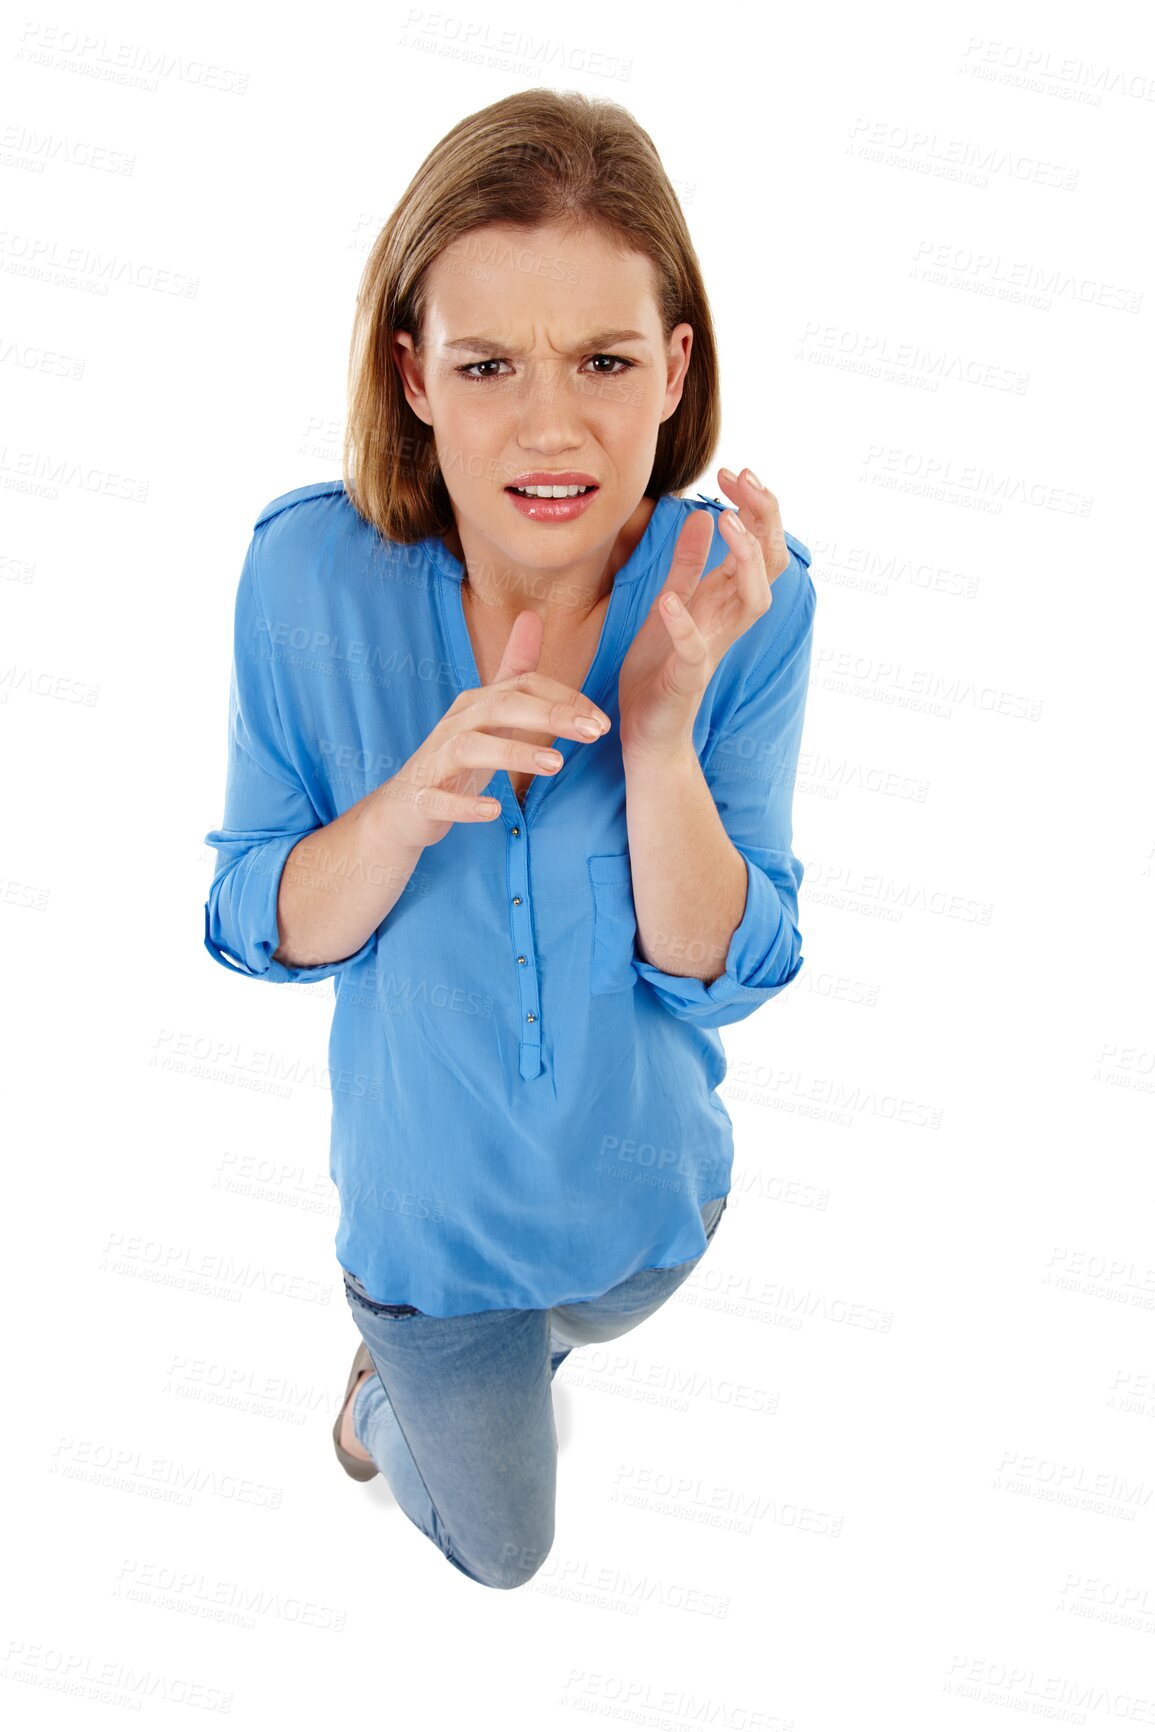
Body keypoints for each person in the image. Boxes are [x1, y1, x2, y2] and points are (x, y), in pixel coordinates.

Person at [202, 87, 817, 1592]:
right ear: (412, 374)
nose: (552, 426)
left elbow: (728, 971)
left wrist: (662, 734)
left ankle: (528, 1352)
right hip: (435, 1267)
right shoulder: (303, 579)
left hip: (655, 1219)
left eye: (605, 360)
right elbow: (249, 921)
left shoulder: (747, 592)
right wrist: (407, 804)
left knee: (593, 1316)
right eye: (488, 364)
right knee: (506, 1552)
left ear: (676, 369)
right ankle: (382, 1390)